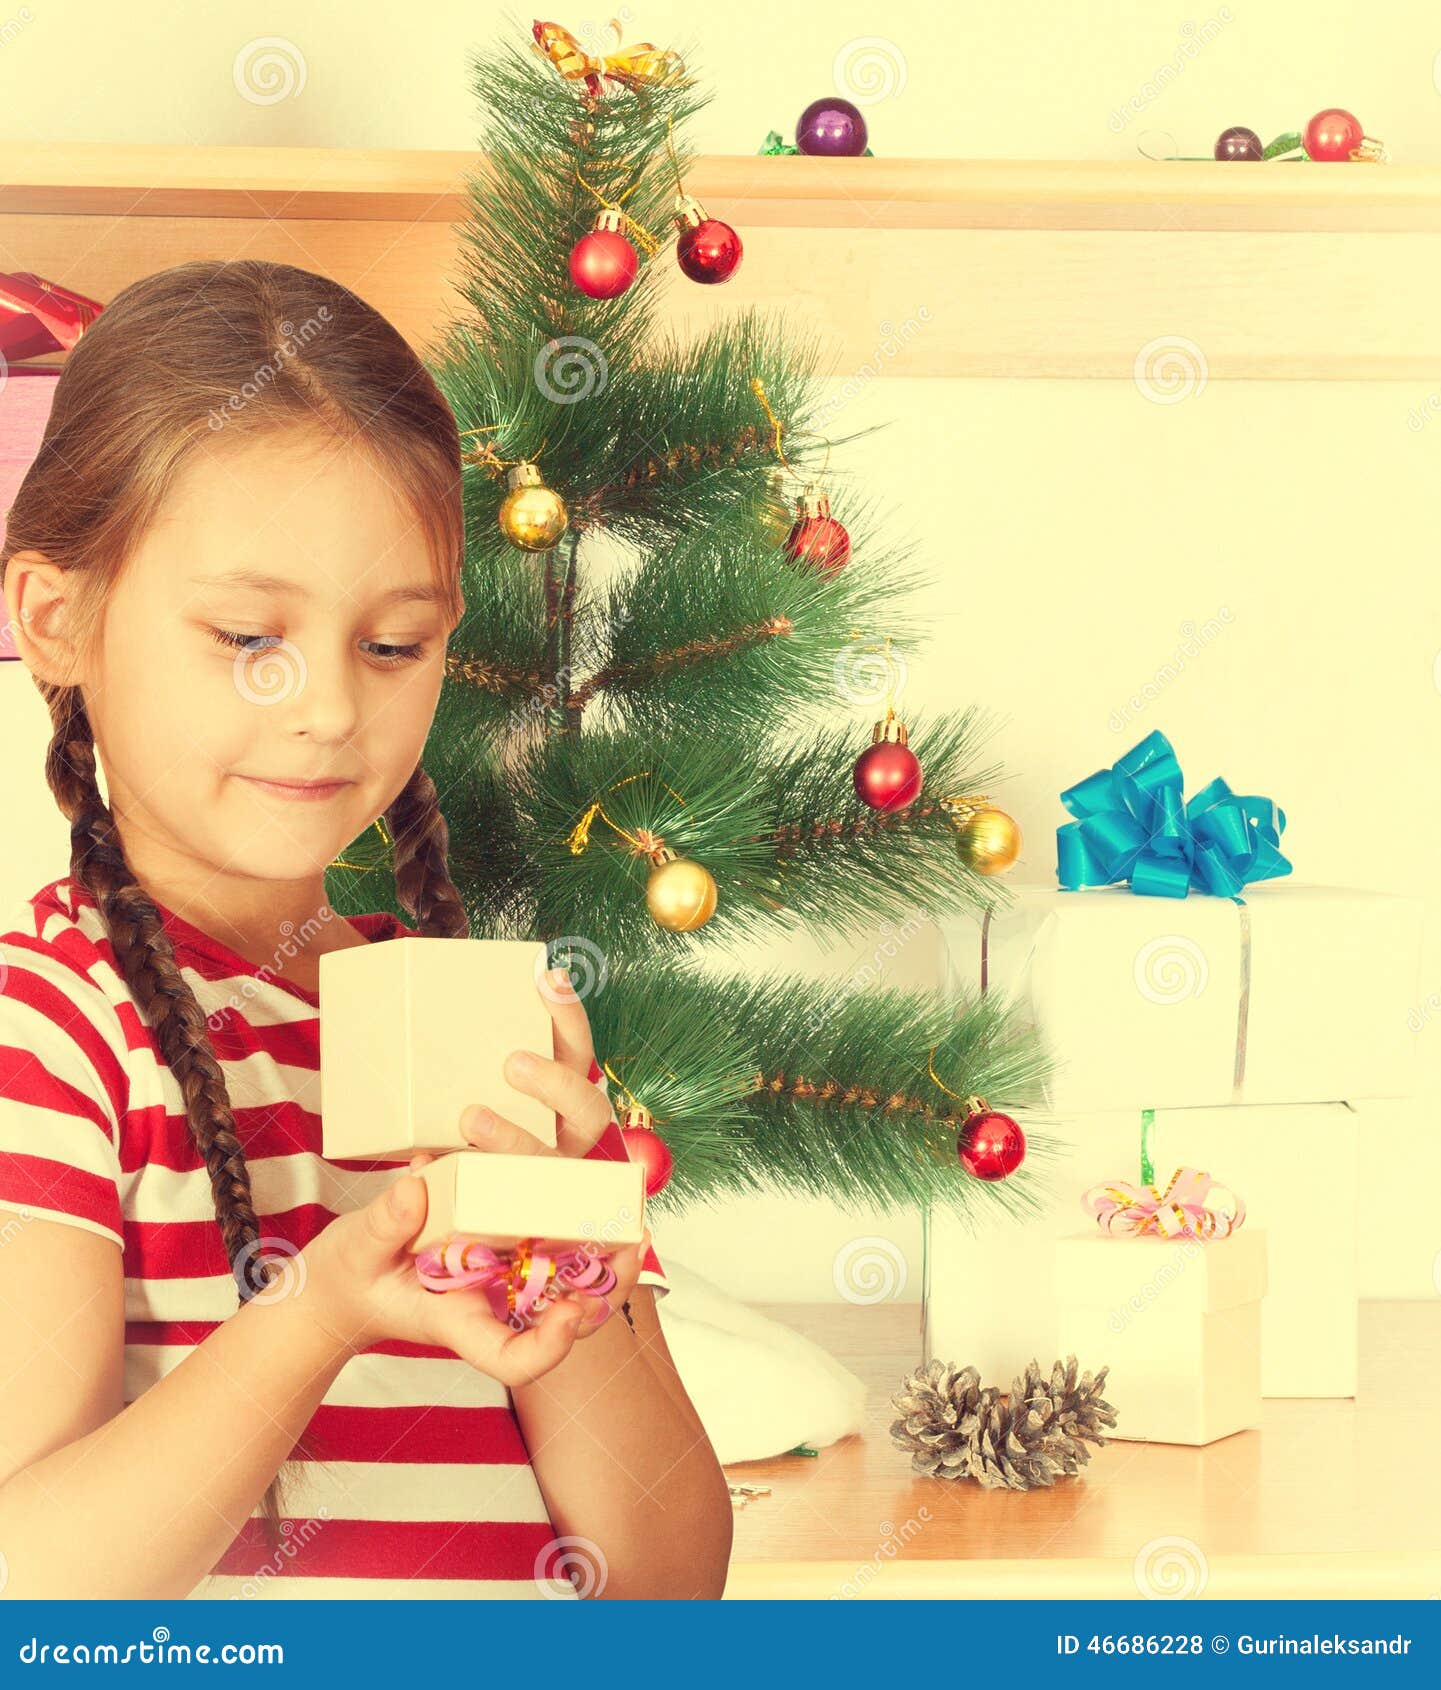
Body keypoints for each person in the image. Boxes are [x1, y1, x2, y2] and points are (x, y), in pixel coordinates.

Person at [0, 258, 732, 1600]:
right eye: (246, 634)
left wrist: (582, 1252)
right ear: (59, 619)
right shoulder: (47, 1029)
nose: (329, 708)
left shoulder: (478, 1028)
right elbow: (29, 1592)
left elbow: (666, 1581)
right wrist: (321, 1312)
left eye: (393, 644)